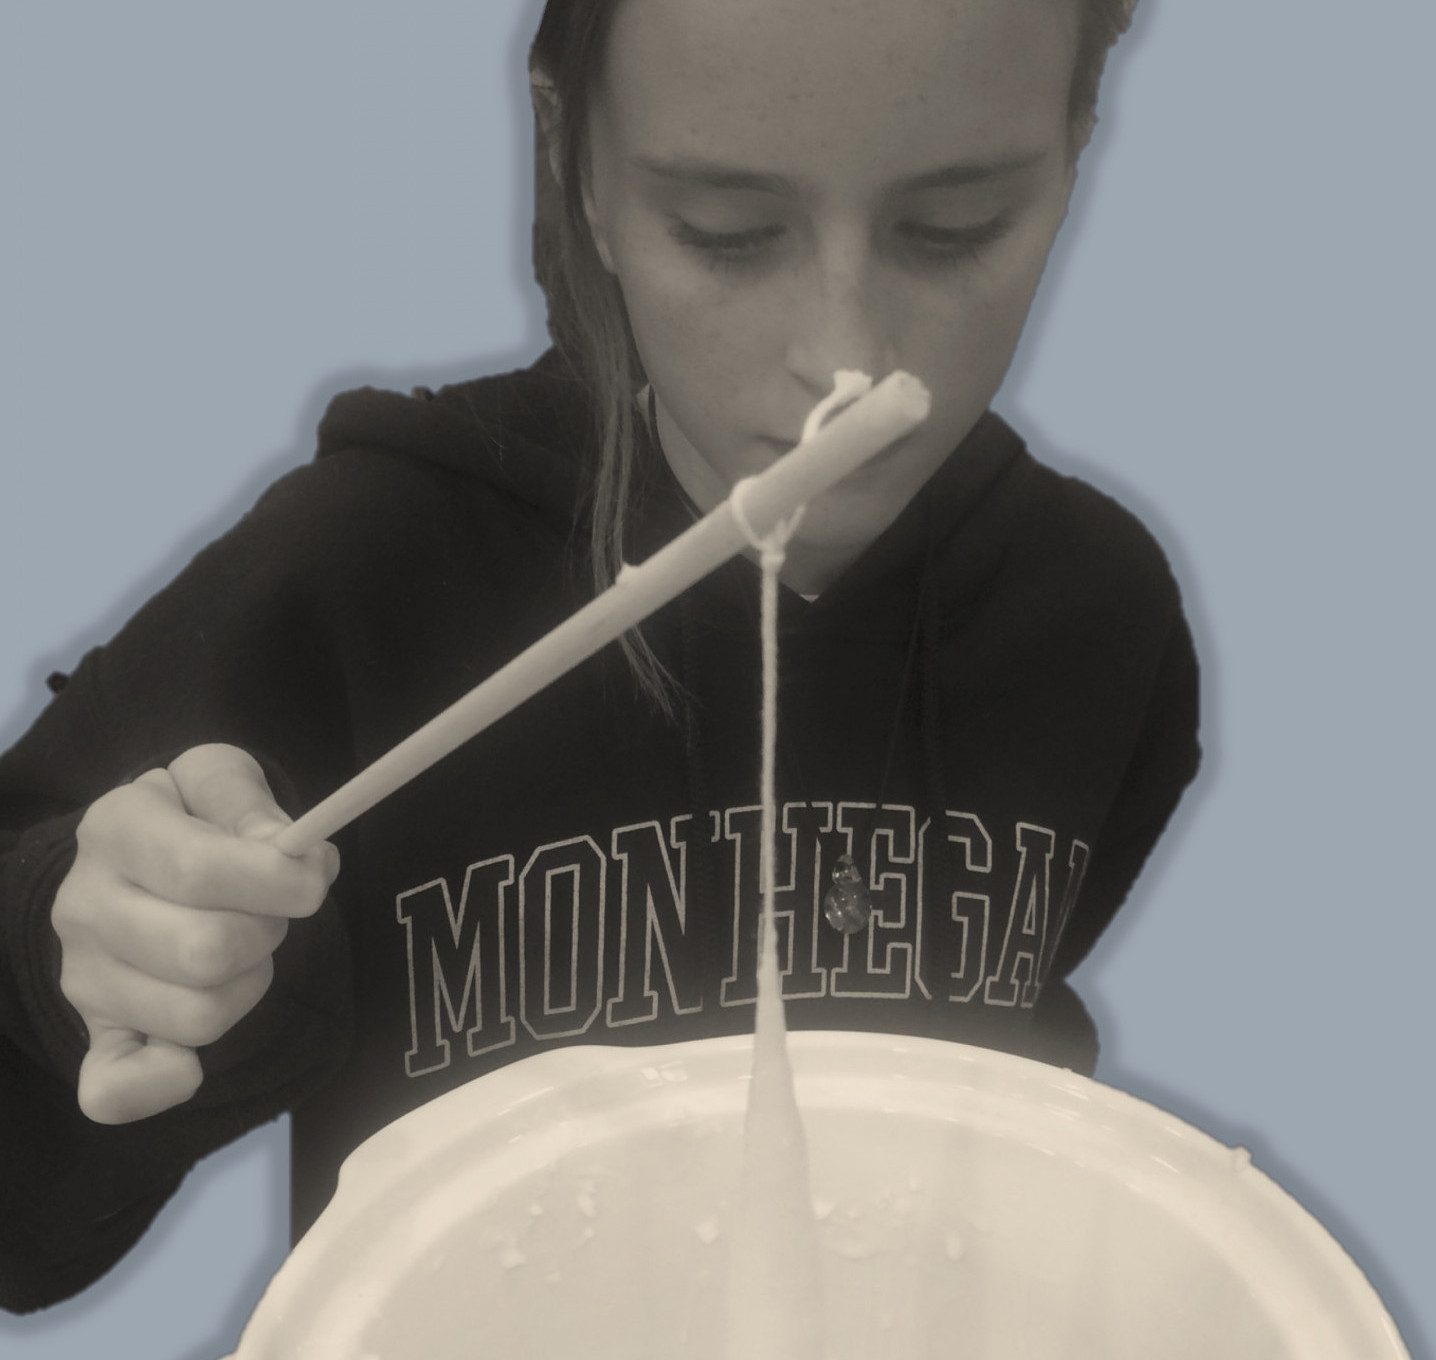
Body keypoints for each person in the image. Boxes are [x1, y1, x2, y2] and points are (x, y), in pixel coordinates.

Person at [0, 0, 1198, 1314]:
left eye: (952, 227)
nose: (844, 363)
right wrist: (85, 967)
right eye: (726, 233)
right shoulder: (358, 580)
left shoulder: (1096, 619)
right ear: (581, 170)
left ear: (1076, 146)